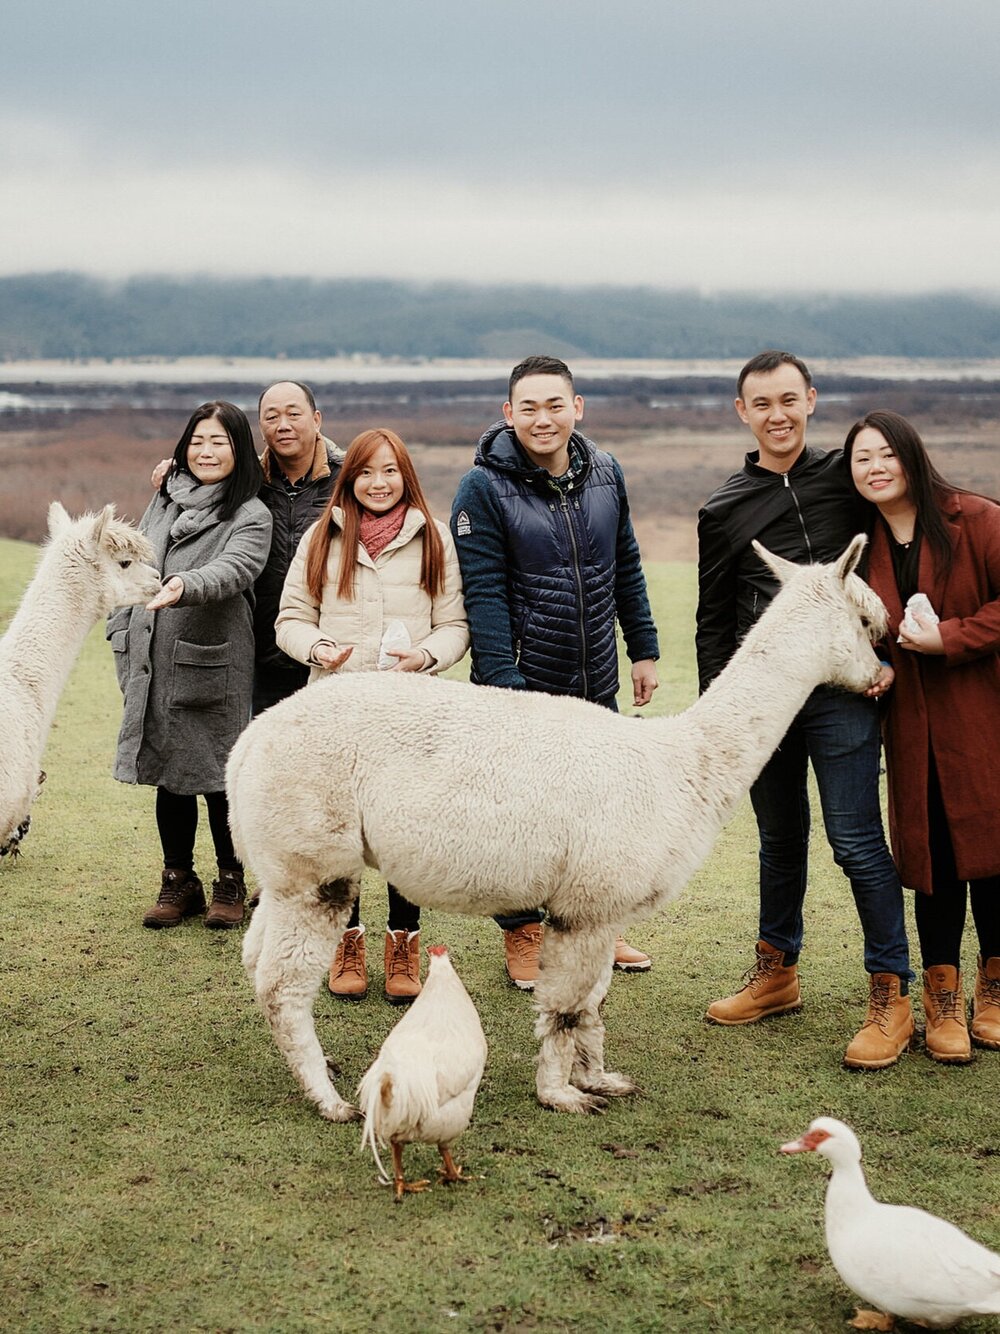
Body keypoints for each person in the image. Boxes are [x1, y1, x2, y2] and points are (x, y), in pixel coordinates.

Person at [697, 350, 913, 1069]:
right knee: (780, 840)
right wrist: (717, 717)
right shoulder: (723, 508)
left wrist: (893, 660)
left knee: (855, 842)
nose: (778, 415)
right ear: (742, 412)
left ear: (812, 400)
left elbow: (890, 565)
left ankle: (891, 993)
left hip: (842, 696)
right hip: (763, 706)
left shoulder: (844, 483)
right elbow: (714, 620)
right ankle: (777, 973)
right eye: (762, 403)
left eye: (789, 399)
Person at [450, 354, 660, 990]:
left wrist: (642, 646)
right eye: (529, 407)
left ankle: (592, 922)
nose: (544, 418)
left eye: (555, 404)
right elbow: (482, 593)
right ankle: (523, 931)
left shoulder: (605, 472)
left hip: (596, 674)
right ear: (508, 414)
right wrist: (502, 683)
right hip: (522, 681)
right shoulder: (482, 488)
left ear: (578, 408)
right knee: (517, 814)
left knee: (597, 807)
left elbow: (625, 562)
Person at [276, 428, 468, 1003]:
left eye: (389, 472)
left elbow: (455, 626)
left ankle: (404, 943)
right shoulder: (320, 537)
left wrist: (426, 656)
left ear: (405, 475)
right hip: (335, 712)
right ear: (349, 478)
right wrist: (317, 650)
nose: (378, 484)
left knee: (405, 834)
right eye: (365, 472)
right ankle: (347, 939)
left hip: (411, 715)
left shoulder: (434, 539)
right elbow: (290, 618)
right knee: (340, 834)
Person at [846, 409, 1000, 1060]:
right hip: (911, 725)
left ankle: (994, 989)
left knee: (992, 851)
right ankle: (942, 999)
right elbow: (863, 632)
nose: (875, 468)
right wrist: (875, 667)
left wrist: (951, 638)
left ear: (911, 456)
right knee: (933, 858)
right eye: (861, 459)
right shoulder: (860, 544)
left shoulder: (978, 519)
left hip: (981, 712)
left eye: (886, 454)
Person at [109, 401, 272, 929]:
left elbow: (238, 567)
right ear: (184, 447)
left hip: (212, 664)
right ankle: (179, 880)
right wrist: (119, 629)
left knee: (218, 777)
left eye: (219, 442)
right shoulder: (164, 497)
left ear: (240, 450)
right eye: (197, 440)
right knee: (165, 774)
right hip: (152, 658)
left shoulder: (250, 512)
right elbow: (134, 560)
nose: (206, 451)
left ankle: (231, 877)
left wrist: (184, 585)